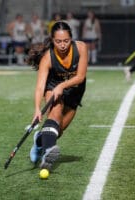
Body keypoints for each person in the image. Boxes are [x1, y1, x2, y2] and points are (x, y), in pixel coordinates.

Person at [26, 21, 88, 171]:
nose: (62, 45)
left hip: (75, 91)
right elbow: (40, 86)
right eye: (58, 41)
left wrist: (62, 86)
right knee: (54, 117)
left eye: (66, 41)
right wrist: (36, 109)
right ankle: (48, 153)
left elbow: (80, 77)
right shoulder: (47, 58)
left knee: (57, 130)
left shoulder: (81, 48)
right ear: (52, 40)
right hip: (53, 87)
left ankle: (39, 141)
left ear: (71, 39)